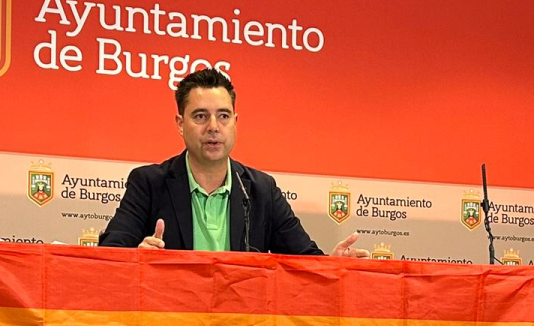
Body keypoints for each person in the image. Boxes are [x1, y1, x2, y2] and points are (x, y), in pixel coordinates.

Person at [99, 68, 368, 257]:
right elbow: (109, 254)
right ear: (180, 124)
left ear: (235, 123)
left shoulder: (261, 189)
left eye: (224, 116)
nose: (214, 127)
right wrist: (136, 258)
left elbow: (305, 260)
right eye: (201, 116)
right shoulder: (149, 184)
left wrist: (333, 267)